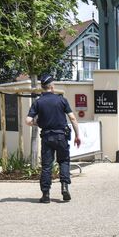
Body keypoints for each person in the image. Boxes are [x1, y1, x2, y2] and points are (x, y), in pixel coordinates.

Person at [26, 74, 81, 203]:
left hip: (46, 137)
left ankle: (45, 195)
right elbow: (73, 118)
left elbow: (28, 120)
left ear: (43, 87)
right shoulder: (62, 100)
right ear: (51, 86)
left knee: (46, 166)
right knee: (64, 161)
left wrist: (38, 123)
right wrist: (77, 135)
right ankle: (64, 187)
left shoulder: (38, 102)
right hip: (61, 136)